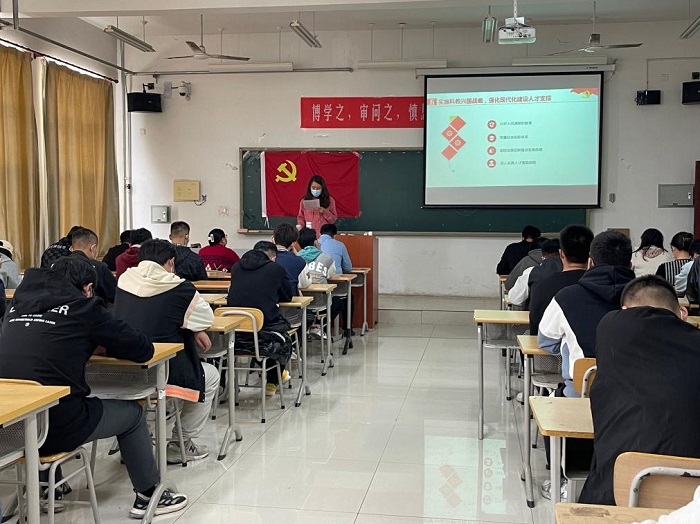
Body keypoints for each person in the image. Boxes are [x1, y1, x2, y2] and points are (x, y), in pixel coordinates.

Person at [0, 256, 188, 519]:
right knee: (133, 415)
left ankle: (47, 487)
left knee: (44, 395)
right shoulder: (84, 308)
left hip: (11, 429)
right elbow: (142, 349)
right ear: (88, 288)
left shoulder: (17, 306)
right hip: (57, 427)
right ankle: (149, 494)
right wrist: (98, 341)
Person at [579, 275, 700, 506]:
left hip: (618, 493)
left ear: (624, 312)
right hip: (691, 497)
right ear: (683, 313)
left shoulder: (610, 327)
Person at [537, 230, 635, 499]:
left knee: (558, 401)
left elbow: (545, 341)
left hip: (583, 397)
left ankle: (562, 481)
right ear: (630, 265)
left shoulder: (567, 297)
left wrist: (569, 347)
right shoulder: (651, 297)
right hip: (638, 402)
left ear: (591, 262)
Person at [113, 239, 218, 463]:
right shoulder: (180, 288)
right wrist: (194, 328)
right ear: (171, 262)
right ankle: (181, 443)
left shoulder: (123, 280)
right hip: (163, 372)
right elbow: (206, 318)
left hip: (123, 371)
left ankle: (137, 441)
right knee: (210, 376)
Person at [226, 241, 293, 395]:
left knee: (260, 337)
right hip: (263, 333)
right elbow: (287, 296)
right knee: (284, 338)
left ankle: (224, 387)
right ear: (273, 257)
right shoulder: (276, 269)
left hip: (235, 334)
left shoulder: (236, 267)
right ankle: (272, 382)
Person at [528, 225, 593, 335]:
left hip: (549, 344)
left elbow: (535, 328)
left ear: (561, 254)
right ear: (590, 255)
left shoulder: (542, 287)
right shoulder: (599, 285)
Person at [508, 238, 562, 308]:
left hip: (536, 314)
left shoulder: (531, 272)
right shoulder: (573, 272)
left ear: (543, 256)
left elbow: (515, 299)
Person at [69, 228, 117, 304]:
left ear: (71, 248)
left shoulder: (58, 264)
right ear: (93, 248)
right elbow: (114, 294)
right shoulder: (99, 267)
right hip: (92, 308)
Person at [273, 222, 309, 295]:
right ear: (293, 243)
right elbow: (305, 284)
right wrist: (296, 255)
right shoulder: (299, 261)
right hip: (290, 298)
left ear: (273, 239)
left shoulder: (265, 257)